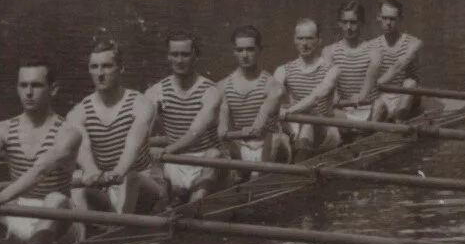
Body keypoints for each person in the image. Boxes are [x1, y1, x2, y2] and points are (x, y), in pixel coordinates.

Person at [0, 59, 82, 244]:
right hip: (16, 212)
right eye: (23, 85)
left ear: (53, 89)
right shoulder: (1, 129)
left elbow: (39, 171)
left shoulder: (68, 133)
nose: (29, 92)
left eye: (36, 85)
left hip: (60, 224)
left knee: (55, 199)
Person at [55, 38, 164, 215]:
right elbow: (84, 153)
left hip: (143, 183)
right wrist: (92, 173)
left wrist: (117, 173)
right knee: (76, 178)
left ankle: (116, 230)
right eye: (94, 67)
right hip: (104, 185)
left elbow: (131, 148)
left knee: (131, 178)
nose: (100, 73)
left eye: (106, 66)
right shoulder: (78, 113)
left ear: (121, 68)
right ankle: (83, 236)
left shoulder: (141, 105)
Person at [146, 31, 225, 203]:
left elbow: (194, 134)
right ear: (168, 57)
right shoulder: (156, 91)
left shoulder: (210, 91)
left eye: (185, 55)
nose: (179, 60)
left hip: (205, 161)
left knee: (214, 155)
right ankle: (164, 207)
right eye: (175, 54)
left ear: (196, 56)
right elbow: (142, 128)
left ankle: (193, 208)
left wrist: (166, 150)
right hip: (174, 161)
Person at [252, 18, 341, 162]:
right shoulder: (283, 70)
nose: (304, 44)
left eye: (309, 39)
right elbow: (272, 95)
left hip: (324, 130)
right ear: (294, 40)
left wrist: (289, 111)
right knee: (274, 133)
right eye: (300, 39)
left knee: (308, 123)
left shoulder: (332, 70)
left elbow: (316, 97)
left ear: (319, 40)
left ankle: (296, 169)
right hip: (295, 126)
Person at [219, 25, 286, 163]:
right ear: (234, 52)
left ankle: (254, 175)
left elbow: (257, 129)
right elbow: (221, 131)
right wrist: (226, 133)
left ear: (259, 50)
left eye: (250, 49)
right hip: (239, 145)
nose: (244, 55)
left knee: (275, 140)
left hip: (267, 145)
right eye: (240, 50)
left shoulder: (272, 85)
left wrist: (230, 134)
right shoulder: (222, 87)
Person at [360, 0, 423, 122]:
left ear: (400, 19)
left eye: (392, 19)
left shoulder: (413, 43)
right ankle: (375, 131)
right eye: (385, 18)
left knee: (410, 83)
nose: (388, 22)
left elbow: (399, 66)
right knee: (377, 108)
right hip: (382, 95)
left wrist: (376, 84)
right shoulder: (371, 45)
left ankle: (398, 122)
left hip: (406, 95)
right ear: (379, 18)